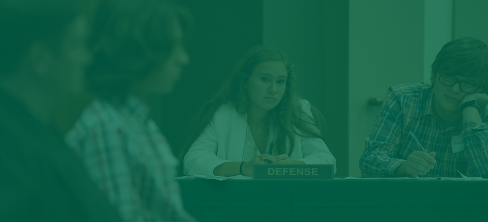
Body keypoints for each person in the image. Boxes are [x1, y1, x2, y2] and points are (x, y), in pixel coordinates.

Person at [0, 0, 123, 221]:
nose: (86, 58)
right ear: (39, 59)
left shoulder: (29, 125)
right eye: (77, 45)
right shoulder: (2, 148)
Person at [64, 0, 194, 221]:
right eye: (172, 46)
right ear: (137, 48)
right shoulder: (106, 129)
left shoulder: (140, 123)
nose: (183, 58)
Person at [181, 45, 336, 177]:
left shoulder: (298, 110)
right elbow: (193, 160)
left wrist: (292, 165)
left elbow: (328, 162)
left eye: (280, 81)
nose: (273, 89)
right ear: (244, 81)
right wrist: (243, 168)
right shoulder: (222, 113)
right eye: (264, 79)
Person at [360, 37, 488, 178]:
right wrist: (404, 167)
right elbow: (369, 161)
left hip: (463, 199)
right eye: (449, 77)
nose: (455, 89)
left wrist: (470, 107)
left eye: (468, 83)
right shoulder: (402, 98)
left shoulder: (484, 112)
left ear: (481, 89)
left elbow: (484, 174)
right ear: (433, 74)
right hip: (408, 197)